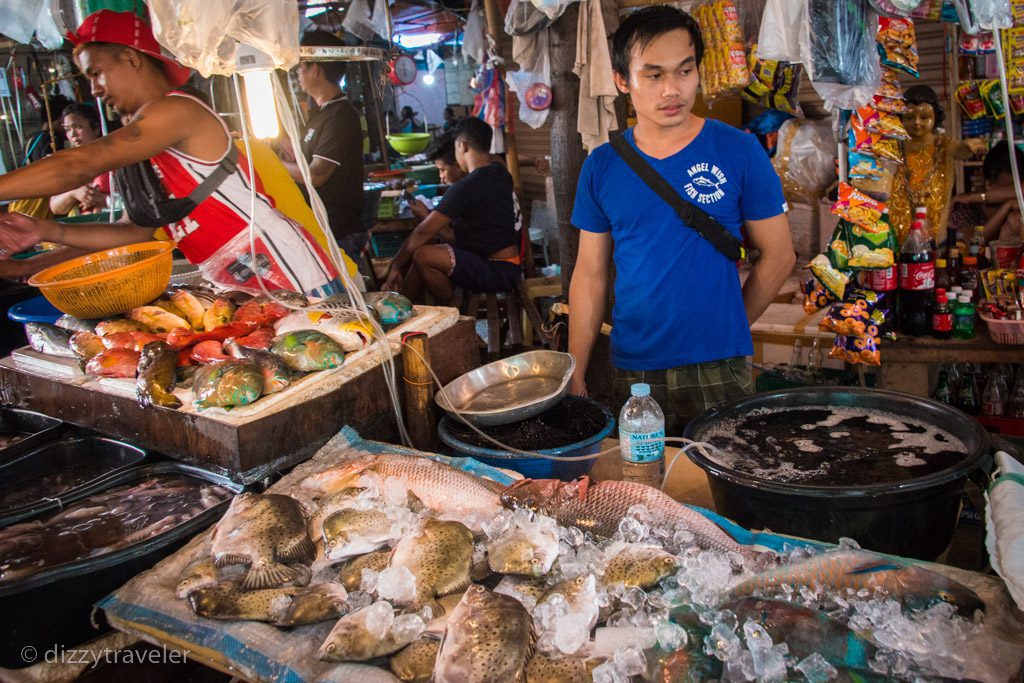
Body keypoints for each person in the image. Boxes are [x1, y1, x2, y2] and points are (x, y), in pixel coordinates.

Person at [0, 10, 343, 297]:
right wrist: (42, 233)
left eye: (97, 73)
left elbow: (79, 165)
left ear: (132, 58)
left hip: (282, 265)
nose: (94, 89)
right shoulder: (141, 138)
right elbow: (133, 232)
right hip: (229, 277)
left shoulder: (177, 110)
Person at [568, 5, 795, 433]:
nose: (672, 89)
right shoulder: (601, 166)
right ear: (622, 80)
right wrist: (576, 367)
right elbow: (590, 274)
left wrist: (730, 324)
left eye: (684, 71)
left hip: (719, 368)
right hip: (635, 369)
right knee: (644, 491)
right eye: (653, 75)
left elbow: (780, 256)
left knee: (722, 490)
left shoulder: (739, 150)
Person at [382, 117, 522, 303]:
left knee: (423, 255)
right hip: (504, 267)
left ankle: (456, 316)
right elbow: (495, 158)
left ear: (462, 146)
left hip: (497, 271)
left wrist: (396, 266)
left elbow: (423, 231)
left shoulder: (466, 186)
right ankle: (400, 310)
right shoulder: (499, 171)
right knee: (422, 257)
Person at [281, 30, 366, 262]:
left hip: (338, 232)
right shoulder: (321, 113)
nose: (298, 72)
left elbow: (316, 175)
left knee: (339, 298)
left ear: (316, 68)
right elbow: (301, 158)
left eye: (301, 66)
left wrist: (275, 165)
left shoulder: (340, 116)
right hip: (320, 229)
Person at [889, 85, 986, 245]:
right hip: (896, 233)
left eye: (924, 117)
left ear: (935, 118)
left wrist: (968, 146)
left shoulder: (943, 145)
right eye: (910, 117)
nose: (917, 123)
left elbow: (960, 149)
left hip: (935, 234)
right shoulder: (892, 146)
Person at [952, 141, 1024, 244]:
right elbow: (969, 243)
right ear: (989, 184)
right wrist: (1005, 208)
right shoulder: (967, 210)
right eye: (1007, 188)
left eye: (1016, 188)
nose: (1014, 193)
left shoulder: (1020, 209)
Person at [49, 103, 110, 216]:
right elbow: (55, 207)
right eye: (67, 129)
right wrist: (75, 193)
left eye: (78, 127)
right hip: (82, 228)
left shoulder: (115, 158)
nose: (72, 134)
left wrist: (107, 200)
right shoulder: (68, 164)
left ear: (96, 128)